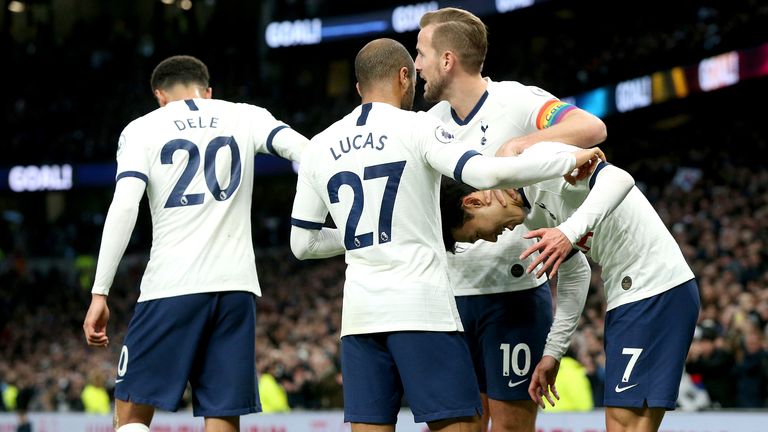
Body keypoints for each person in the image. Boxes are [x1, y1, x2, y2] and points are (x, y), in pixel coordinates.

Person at [289, 38, 603, 432]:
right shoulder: (421, 127)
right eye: (414, 64)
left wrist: (367, 235)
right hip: (422, 309)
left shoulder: (319, 145)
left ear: (358, 89)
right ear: (403, 78)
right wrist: (567, 158)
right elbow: (485, 176)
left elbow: (302, 245)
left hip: (359, 318)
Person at [82, 55, 309, 432]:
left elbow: (125, 205)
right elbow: (305, 152)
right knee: (221, 412)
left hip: (172, 285)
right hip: (236, 288)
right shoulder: (244, 115)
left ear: (159, 96)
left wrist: (99, 292)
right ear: (208, 91)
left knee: (131, 409)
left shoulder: (142, 129)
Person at [414, 7, 607, 432]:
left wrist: (520, 145)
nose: (416, 65)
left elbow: (591, 127)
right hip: (448, 299)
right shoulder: (426, 125)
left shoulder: (517, 101)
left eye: (422, 53)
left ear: (448, 59)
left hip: (514, 295)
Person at [440, 141, 700, 432]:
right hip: (628, 295)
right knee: (621, 423)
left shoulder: (540, 168)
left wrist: (567, 232)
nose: (489, 240)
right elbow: (576, 273)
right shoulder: (532, 214)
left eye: (476, 234)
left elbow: (619, 178)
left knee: (625, 424)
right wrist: (553, 352)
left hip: (656, 289)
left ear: (474, 202)